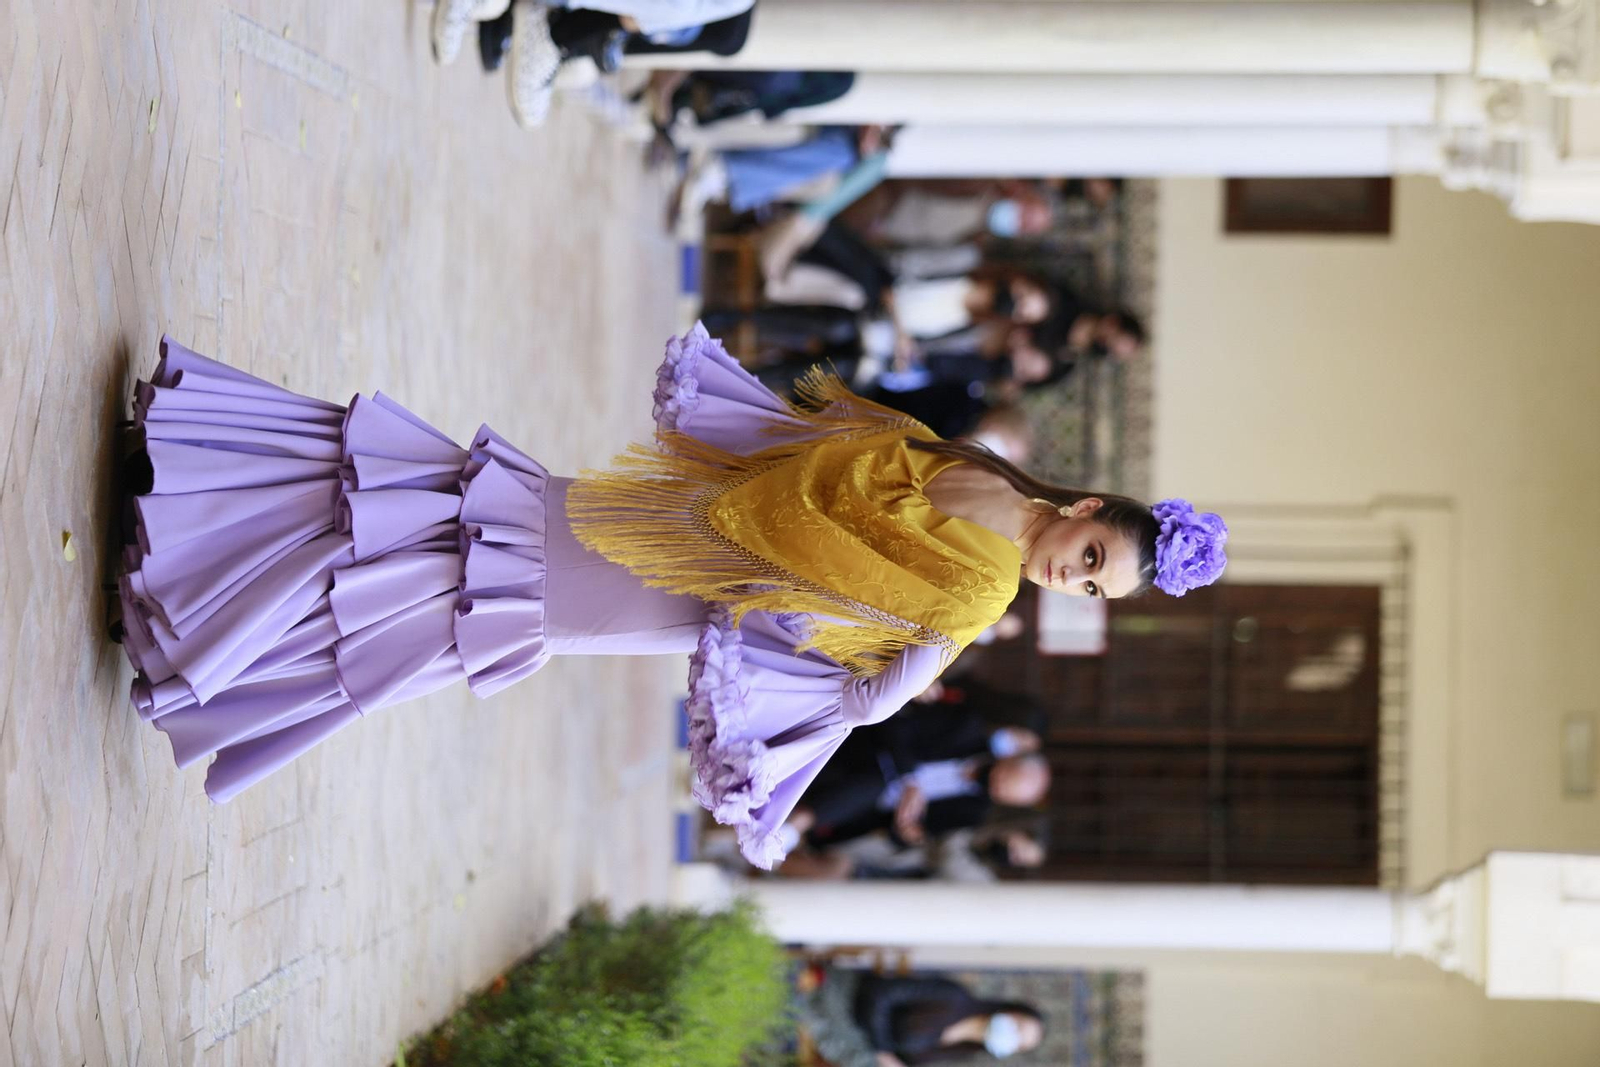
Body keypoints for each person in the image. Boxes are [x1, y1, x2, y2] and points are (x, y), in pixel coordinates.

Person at [112, 326, 1226, 868]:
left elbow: (824, 447)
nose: (1073, 575)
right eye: (1092, 554)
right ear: (1085, 506)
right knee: (461, 587)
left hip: (690, 518)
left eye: (1094, 584)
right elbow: (868, 694)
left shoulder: (965, 454)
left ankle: (195, 495)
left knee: (459, 523)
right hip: (692, 578)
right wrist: (822, 710)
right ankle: (191, 591)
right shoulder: (979, 593)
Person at [797, 967, 1046, 1066]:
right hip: (842, 1002)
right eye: (1019, 1027)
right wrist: (883, 1052)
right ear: (1010, 1011)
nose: (1013, 1036)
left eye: (1020, 1043)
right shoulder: (954, 996)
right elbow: (880, 993)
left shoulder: (959, 1051)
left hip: (850, 1044)